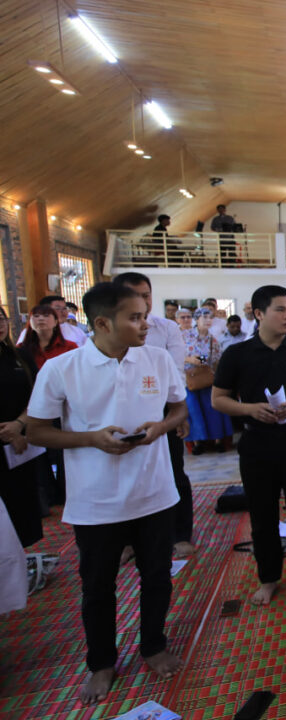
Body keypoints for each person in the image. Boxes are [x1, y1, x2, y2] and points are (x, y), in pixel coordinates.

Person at [26, 282, 188, 705]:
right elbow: (38, 431)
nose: (145, 324)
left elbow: (178, 408)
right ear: (102, 323)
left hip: (154, 492)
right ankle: (101, 661)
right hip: (95, 501)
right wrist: (92, 439)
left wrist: (160, 427)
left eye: (145, 314)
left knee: (157, 576)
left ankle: (153, 645)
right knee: (98, 586)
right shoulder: (61, 369)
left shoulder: (156, 359)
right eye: (134, 317)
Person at [211, 285, 286, 605]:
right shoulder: (237, 354)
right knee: (262, 514)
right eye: (281, 310)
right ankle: (268, 578)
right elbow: (218, 399)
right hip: (256, 443)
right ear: (259, 313)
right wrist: (250, 409)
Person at [112, 272, 194, 560]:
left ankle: (180, 534)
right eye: (135, 295)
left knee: (173, 469)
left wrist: (178, 411)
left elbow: (176, 371)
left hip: (162, 407)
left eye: (146, 295)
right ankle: (127, 539)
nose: (143, 301)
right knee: (124, 473)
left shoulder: (166, 328)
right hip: (122, 410)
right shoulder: (108, 331)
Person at [0, 305, 45, 549]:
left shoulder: (19, 356)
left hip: (20, 443)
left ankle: (23, 559)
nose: (0, 325)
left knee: (22, 504)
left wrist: (19, 425)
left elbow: (38, 395)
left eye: (1, 318)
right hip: (6, 437)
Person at [182, 309, 234, 456]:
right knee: (193, 410)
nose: (207, 320)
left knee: (213, 410)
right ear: (196, 319)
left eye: (210, 317)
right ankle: (198, 442)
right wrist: (190, 359)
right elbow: (175, 354)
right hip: (190, 378)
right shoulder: (185, 336)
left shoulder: (213, 339)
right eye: (204, 317)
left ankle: (218, 441)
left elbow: (216, 360)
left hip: (207, 377)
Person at [17, 304, 79, 369]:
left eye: (46, 315)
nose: (41, 319)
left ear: (56, 322)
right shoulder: (21, 349)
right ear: (30, 322)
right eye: (36, 316)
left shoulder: (70, 347)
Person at [16, 295, 86, 347]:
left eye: (65, 308)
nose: (63, 312)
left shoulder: (77, 331)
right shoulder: (29, 333)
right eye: (57, 308)